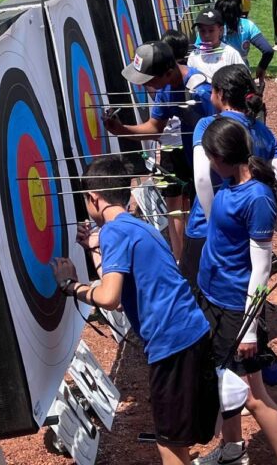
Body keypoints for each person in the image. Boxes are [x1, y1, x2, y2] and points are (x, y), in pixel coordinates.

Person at [50, 156, 218, 465]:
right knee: (177, 437)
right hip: (190, 333)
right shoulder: (133, 226)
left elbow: (109, 296)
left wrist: (70, 286)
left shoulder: (114, 233)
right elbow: (116, 281)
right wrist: (93, 248)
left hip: (172, 343)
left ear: (94, 198)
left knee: (168, 443)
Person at [191, 116, 277, 465]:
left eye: (209, 157)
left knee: (253, 394)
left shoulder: (257, 199)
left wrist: (250, 329)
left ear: (221, 157)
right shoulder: (230, 185)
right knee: (225, 383)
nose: (207, 164)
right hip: (213, 297)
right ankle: (233, 452)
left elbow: (262, 268)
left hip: (237, 310)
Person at [180, 64, 277, 291]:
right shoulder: (264, 132)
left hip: (205, 228)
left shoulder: (208, 125)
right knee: (242, 288)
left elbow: (202, 178)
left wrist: (216, 221)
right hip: (246, 229)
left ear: (221, 94)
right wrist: (261, 217)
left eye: (212, 91)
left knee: (196, 294)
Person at [103, 40, 215, 260]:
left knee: (210, 222)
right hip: (196, 163)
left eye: (150, 79)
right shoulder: (166, 89)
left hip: (215, 167)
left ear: (169, 71)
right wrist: (121, 130)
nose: (147, 85)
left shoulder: (200, 91)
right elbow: (155, 127)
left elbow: (223, 130)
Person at [158, 30, 198, 262]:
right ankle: (189, 258)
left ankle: (181, 259)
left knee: (174, 207)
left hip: (173, 148)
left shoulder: (167, 81)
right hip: (190, 147)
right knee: (192, 204)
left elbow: (156, 125)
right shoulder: (192, 74)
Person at [212, 0, 274, 88]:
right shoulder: (247, 25)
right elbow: (268, 50)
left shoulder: (211, 27)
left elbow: (198, 49)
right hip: (241, 79)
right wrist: (261, 68)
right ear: (240, 3)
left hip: (216, 79)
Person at [187, 8, 246, 82]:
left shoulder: (230, 54)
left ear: (220, 30)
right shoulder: (194, 56)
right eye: (202, 30)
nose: (206, 35)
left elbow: (244, 80)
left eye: (211, 30)